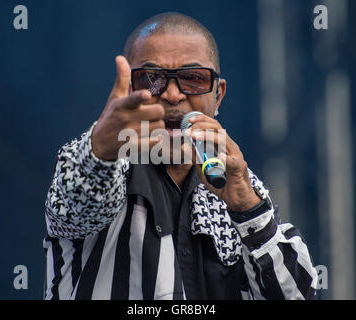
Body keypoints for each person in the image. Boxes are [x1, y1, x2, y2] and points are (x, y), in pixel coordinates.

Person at [43, 12, 318, 300]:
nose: (173, 95)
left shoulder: (239, 183)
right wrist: (100, 147)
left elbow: (297, 296)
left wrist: (247, 208)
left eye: (193, 78)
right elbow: (76, 203)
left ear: (218, 96)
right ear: (127, 90)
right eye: (152, 78)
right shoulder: (92, 163)